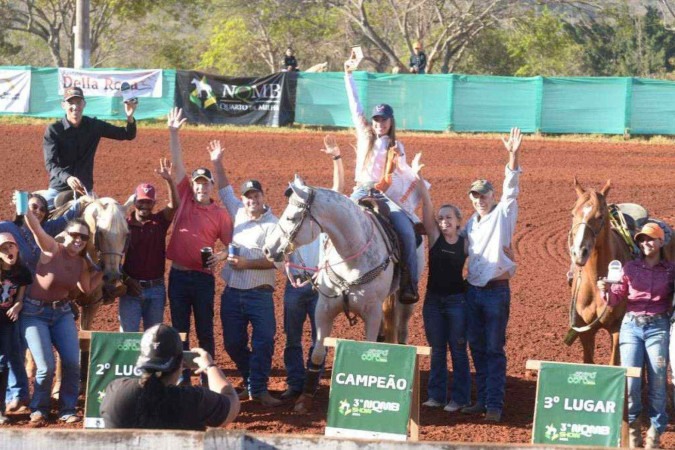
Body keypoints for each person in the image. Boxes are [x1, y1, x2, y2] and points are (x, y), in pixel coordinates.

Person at [164, 108, 233, 385]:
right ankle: (183, 380)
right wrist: (173, 133)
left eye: (205, 183)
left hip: (203, 279)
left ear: (212, 187)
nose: (201, 187)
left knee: (205, 331)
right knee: (180, 331)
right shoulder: (185, 200)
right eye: (197, 183)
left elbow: (230, 246)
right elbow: (178, 165)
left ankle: (208, 380)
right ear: (192, 185)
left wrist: (221, 255)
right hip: (179, 276)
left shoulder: (220, 215)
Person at [209, 140, 281, 407]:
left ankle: (259, 389)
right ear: (243, 200)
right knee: (232, 343)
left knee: (264, 341)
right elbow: (224, 187)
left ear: (263, 197)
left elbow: (275, 261)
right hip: (233, 292)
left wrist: (246, 263)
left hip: (260, 294)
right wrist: (217, 162)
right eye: (248, 196)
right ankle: (253, 380)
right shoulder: (237, 211)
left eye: (256, 196)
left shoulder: (274, 225)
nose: (252, 200)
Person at [344, 54, 419, 303]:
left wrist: (411, 170)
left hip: (384, 195)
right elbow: (354, 104)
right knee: (333, 221)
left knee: (407, 232)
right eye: (376, 119)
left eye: (383, 120)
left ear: (390, 121)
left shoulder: (398, 145)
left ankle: (409, 282)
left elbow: (402, 174)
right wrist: (348, 75)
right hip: (360, 191)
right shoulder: (364, 134)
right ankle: (324, 273)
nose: (379, 124)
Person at [21, 205, 104, 424]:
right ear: (65, 235)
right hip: (34, 312)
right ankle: (39, 408)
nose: (78, 240)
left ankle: (67, 408)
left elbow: (86, 289)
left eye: (83, 237)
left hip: (62, 313)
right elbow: (36, 227)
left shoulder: (82, 262)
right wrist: (23, 205)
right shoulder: (51, 248)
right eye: (74, 234)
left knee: (72, 362)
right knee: (46, 366)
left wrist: (105, 270)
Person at [461, 127, 522, 423]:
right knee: (477, 347)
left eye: (483, 194)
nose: (479, 199)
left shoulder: (503, 214)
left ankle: (494, 404)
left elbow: (511, 189)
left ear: (491, 195)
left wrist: (512, 155)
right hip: (472, 291)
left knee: (494, 349)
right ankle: (482, 399)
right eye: (475, 195)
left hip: (496, 292)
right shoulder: (470, 225)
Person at [0, 192, 79, 413]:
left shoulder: (47, 232)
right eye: (33, 206)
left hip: (34, 300)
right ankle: (16, 395)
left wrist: (81, 198)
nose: (37, 211)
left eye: (41, 210)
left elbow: (68, 219)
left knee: (19, 349)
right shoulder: (6, 228)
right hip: (12, 299)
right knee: (11, 350)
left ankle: (24, 396)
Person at [598, 223, 674, 449]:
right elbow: (614, 299)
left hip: (658, 327)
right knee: (631, 382)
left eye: (651, 239)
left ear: (661, 242)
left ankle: (655, 431)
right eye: (642, 240)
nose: (646, 244)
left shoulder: (670, 270)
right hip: (631, 327)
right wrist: (604, 289)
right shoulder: (629, 268)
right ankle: (632, 430)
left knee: (658, 381)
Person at [280, 136, 344, 400]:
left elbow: (338, 191)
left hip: (320, 286)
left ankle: (312, 383)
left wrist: (336, 158)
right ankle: (295, 383)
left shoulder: (321, 221)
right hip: (295, 285)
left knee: (320, 338)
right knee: (293, 338)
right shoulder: (285, 226)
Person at [100, 324, 239, 429]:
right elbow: (231, 404)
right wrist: (210, 367)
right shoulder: (192, 399)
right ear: (180, 363)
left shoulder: (115, 391)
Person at [416, 179, 471, 413]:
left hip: (457, 302)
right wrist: (421, 184)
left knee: (458, 350)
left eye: (449, 217)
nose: (444, 221)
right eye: (441, 218)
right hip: (433, 302)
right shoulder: (435, 239)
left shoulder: (466, 244)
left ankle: (459, 398)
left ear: (459, 222)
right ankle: (436, 396)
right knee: (437, 350)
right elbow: (427, 210)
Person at [42, 86, 138, 208]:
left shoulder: (94, 126)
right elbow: (50, 163)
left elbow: (127, 134)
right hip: (58, 189)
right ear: (63, 105)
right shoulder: (54, 130)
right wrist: (67, 178)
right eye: (70, 103)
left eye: (78, 102)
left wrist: (130, 117)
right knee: (35, 211)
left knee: (103, 221)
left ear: (84, 104)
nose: (75, 107)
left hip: (85, 190)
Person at [119, 158, 179, 332]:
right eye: (141, 201)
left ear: (154, 204)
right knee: (127, 338)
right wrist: (127, 280)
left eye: (148, 202)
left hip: (156, 289)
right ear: (135, 202)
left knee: (153, 339)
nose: (144, 205)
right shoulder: (124, 225)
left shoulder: (159, 222)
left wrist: (169, 180)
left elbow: (175, 205)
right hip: (131, 291)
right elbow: (113, 259)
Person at [0, 233, 32, 424]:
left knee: (4, 361)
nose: (8, 250)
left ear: (17, 249)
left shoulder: (22, 272)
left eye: (11, 246)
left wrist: (18, 305)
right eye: (3, 248)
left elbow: (19, 297)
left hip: (7, 320)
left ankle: (1, 409)